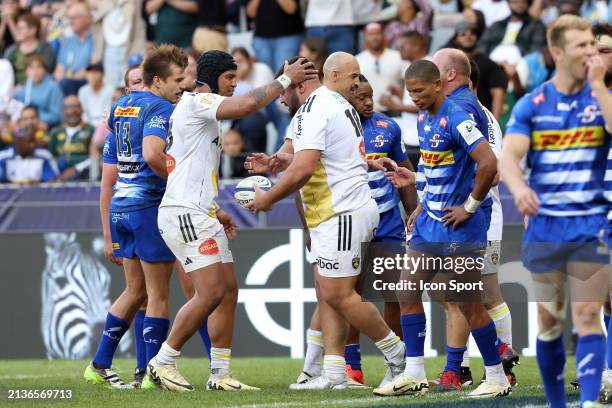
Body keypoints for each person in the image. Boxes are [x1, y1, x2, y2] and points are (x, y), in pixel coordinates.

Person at [146, 51, 317, 392]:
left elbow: (191, 168)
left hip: (199, 211)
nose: (235, 84)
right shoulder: (198, 100)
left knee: (226, 291)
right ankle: (162, 361)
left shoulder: (204, 112)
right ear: (211, 78)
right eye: (230, 78)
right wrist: (285, 78)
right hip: (184, 213)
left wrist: (217, 210)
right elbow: (245, 107)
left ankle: (220, 374)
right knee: (209, 292)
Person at [250, 52, 407, 391]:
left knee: (339, 294)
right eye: (353, 76)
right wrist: (278, 161)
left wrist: (268, 198)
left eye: (284, 88)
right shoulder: (334, 106)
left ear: (297, 84)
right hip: (334, 212)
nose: (357, 83)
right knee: (329, 293)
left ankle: (399, 359)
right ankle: (334, 373)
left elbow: (305, 169)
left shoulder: (313, 109)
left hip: (341, 212)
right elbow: (327, 156)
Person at [375, 59, 510, 399]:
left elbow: (489, 163)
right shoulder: (423, 117)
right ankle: (414, 373)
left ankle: (496, 376)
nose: (415, 98)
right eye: (411, 93)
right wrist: (418, 184)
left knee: (468, 302)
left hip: (458, 227)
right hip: (429, 223)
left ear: (438, 85)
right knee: (406, 291)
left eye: (420, 91)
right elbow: (441, 168)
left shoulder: (459, 117)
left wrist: (469, 207)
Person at [499, 15, 610, 407]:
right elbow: (509, 157)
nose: (591, 53)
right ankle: (557, 403)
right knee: (549, 322)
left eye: (594, 46)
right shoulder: (533, 103)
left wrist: (598, 86)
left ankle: (591, 402)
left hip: (591, 227)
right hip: (545, 228)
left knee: (586, 315)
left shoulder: (601, 98)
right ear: (558, 52)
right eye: (582, 46)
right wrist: (518, 187)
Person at [84, 44, 187, 389]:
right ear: (157, 80)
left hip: (121, 207)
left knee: (134, 290)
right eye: (176, 79)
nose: (181, 86)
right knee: (158, 296)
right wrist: (180, 178)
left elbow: (117, 156)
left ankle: (100, 363)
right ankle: (155, 375)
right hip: (146, 207)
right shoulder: (159, 107)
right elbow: (152, 154)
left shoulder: (119, 106)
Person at [424, 52, 517, 391]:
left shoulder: (480, 117)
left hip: (480, 215)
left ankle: (500, 364)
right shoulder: (444, 112)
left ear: (456, 77)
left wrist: (467, 203)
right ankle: (470, 363)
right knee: (445, 290)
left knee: (484, 292)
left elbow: (491, 171)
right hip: (451, 216)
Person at [449, 22, 507, 120]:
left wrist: (494, 121)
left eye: (472, 33)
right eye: (463, 34)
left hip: (479, 119)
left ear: (477, 38)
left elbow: (498, 91)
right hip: (452, 117)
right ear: (455, 39)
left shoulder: (488, 63)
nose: (468, 36)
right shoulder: (448, 62)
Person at [356, 23, 407, 113]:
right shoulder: (357, 60)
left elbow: (407, 83)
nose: (375, 37)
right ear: (365, 37)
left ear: (384, 35)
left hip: (396, 111)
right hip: (369, 112)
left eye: (378, 33)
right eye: (371, 34)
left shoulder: (398, 56)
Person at [247, 0, 303, 73]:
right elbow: (250, 13)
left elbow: (291, 9)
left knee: (284, 73)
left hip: (287, 37)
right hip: (262, 38)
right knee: (265, 73)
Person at [47, 95, 94, 181]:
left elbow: (96, 157)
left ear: (81, 109)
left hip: (83, 176)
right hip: (59, 177)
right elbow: (52, 156)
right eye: (68, 107)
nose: (72, 111)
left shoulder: (90, 130)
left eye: (75, 107)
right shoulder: (55, 132)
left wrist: (76, 168)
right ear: (63, 111)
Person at [54, 2, 94, 95]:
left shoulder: (96, 39)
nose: (70, 22)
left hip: (86, 82)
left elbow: (94, 66)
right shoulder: (68, 41)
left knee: (65, 84)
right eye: (69, 18)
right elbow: (59, 69)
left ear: (87, 19)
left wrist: (70, 78)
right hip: (67, 83)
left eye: (75, 18)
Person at [3, 13, 56, 84]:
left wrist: (23, 87)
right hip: (11, 88)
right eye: (17, 28)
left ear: (33, 30)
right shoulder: (11, 50)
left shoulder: (45, 49)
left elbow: (46, 71)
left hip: (36, 87)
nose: (17, 31)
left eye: (21, 28)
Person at [13, 53, 63, 128]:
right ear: (26, 71)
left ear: (45, 70)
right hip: (28, 121)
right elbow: (15, 100)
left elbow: (57, 116)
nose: (35, 71)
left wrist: (35, 118)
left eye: (39, 67)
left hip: (47, 124)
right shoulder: (26, 85)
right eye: (31, 68)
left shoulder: (53, 87)